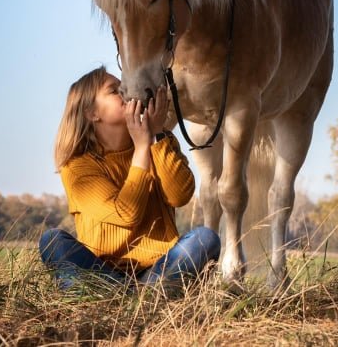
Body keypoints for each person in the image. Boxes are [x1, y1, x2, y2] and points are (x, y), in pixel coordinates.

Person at [39, 66, 220, 290]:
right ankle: (138, 295)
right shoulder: (77, 167)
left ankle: (129, 296)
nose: (125, 92)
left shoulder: (158, 142)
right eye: (114, 90)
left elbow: (180, 196)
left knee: (205, 238)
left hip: (159, 267)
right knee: (52, 241)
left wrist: (156, 135)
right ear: (92, 113)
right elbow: (126, 214)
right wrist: (142, 147)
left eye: (123, 86)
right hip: (102, 272)